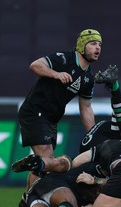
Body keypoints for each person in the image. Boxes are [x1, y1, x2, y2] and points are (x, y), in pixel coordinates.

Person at [17, 29, 101, 189]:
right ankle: (32, 203)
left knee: (44, 163)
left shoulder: (89, 77)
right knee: (46, 156)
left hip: (51, 118)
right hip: (34, 111)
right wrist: (55, 74)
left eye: (99, 44)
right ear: (82, 46)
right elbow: (35, 65)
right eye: (92, 43)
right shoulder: (64, 58)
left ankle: (28, 201)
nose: (98, 48)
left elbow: (86, 109)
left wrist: (93, 135)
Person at [0, 163, 103, 207]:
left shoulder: (87, 202)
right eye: (98, 191)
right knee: (70, 203)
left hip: (37, 193)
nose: (97, 194)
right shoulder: (89, 169)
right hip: (51, 183)